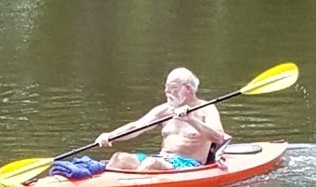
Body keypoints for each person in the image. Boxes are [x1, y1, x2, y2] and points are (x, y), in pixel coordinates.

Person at [95, 67, 230, 171]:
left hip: (189, 165)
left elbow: (219, 138)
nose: (166, 91)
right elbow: (136, 127)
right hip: (162, 159)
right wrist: (111, 135)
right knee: (119, 158)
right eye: (166, 87)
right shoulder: (164, 110)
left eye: (172, 88)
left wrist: (191, 120)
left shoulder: (207, 109)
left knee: (151, 163)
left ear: (187, 89)